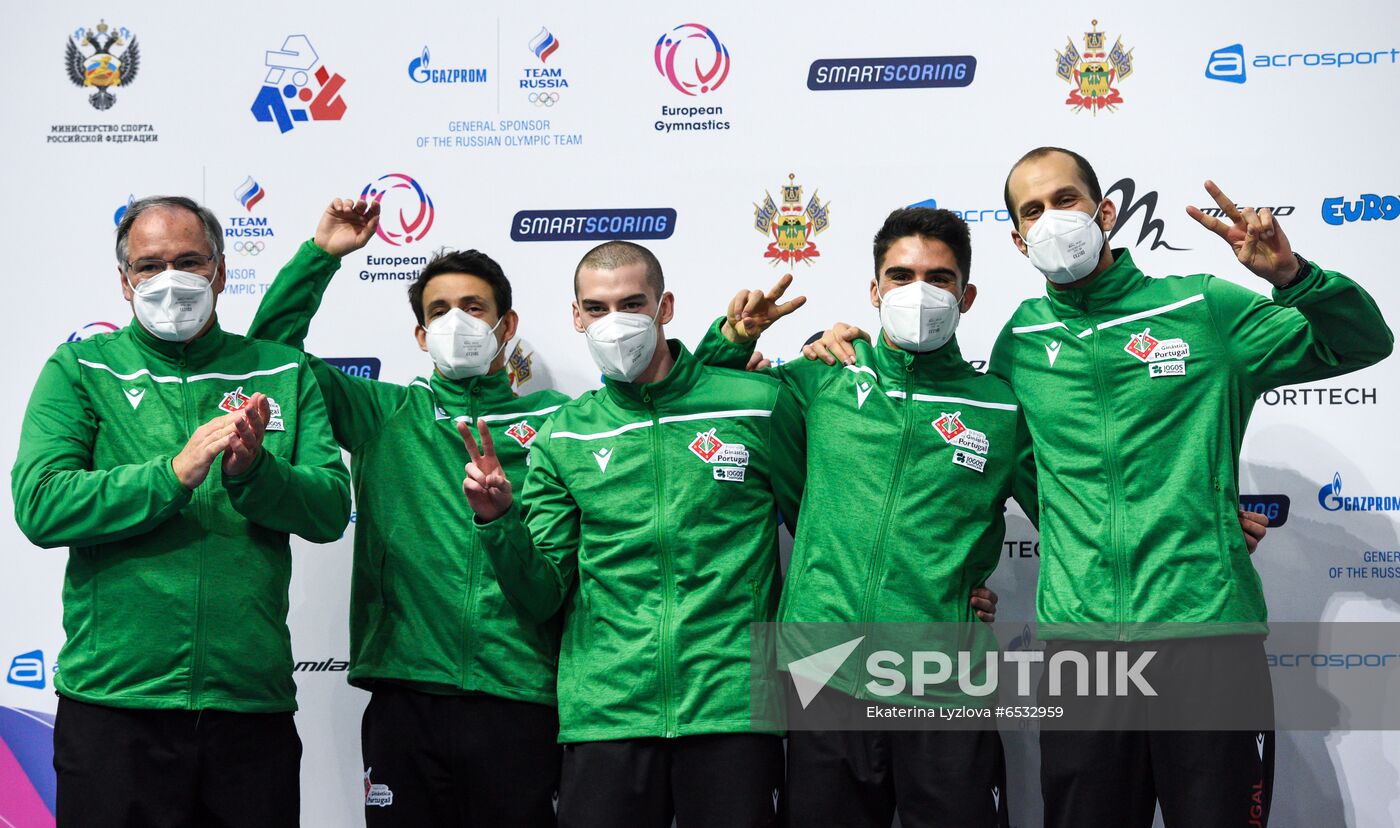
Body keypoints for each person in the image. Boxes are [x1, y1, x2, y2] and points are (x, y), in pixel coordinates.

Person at [11, 195, 351, 828]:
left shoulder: (281, 370)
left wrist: (258, 473)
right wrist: (172, 475)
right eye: (149, 265)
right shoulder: (81, 368)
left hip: (249, 710)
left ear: (220, 272)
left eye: (190, 261)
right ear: (124, 281)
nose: (170, 279)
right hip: (115, 708)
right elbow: (41, 503)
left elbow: (331, 508)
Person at [696, 207, 1029, 827]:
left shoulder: (1003, 407)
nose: (919, 291)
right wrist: (733, 339)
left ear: (968, 295)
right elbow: (706, 408)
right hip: (824, 671)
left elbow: (1077, 500)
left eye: (940, 278)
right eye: (900, 276)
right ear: (875, 291)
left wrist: (1216, 515)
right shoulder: (822, 377)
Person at [246, 199, 569, 827]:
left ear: (508, 326)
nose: (457, 322)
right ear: (420, 336)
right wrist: (320, 257)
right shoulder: (382, 412)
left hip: (522, 694)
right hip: (406, 697)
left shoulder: (559, 422)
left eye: (474, 308)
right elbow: (269, 355)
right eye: (438, 311)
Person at [459, 240, 804, 828]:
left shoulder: (759, 405)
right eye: (596, 308)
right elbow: (542, 593)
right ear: (575, 316)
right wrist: (499, 522)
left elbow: (822, 538)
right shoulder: (563, 435)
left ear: (664, 306)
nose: (614, 322)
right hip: (607, 711)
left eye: (631, 303)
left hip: (735, 707)